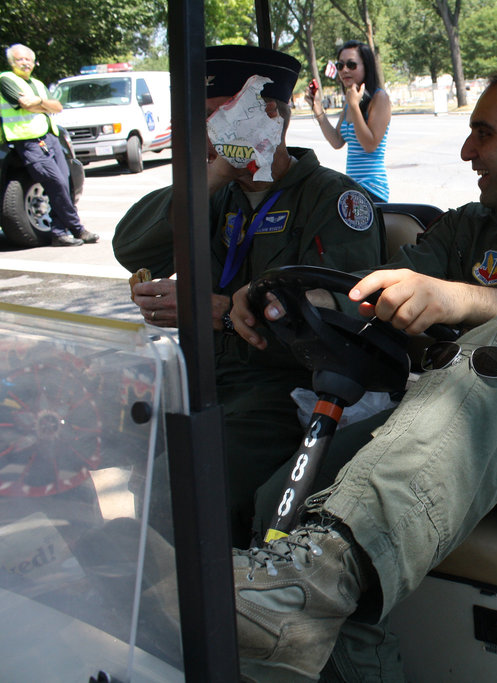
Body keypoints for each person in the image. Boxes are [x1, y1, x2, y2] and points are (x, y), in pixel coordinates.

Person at [229, 64, 497, 680]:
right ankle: (308, 602)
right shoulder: (467, 227)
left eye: (483, 134)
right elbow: (379, 291)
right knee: (282, 498)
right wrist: (281, 295)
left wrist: (465, 299)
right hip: (464, 427)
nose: (467, 152)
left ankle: (318, 575)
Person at [112, 45, 387, 546]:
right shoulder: (219, 195)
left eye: (218, 116)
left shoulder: (333, 200)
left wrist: (218, 313)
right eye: (200, 120)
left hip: (286, 390)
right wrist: (212, 175)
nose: (205, 132)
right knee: (126, 449)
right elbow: (128, 246)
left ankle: (215, 608)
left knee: (179, 488)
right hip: (209, 377)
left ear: (271, 116)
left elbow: (343, 320)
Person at [1, 44, 98, 247]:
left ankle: (59, 233)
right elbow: (26, 104)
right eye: (20, 60)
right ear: (12, 62)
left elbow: (58, 107)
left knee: (65, 183)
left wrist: (39, 101)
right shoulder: (6, 79)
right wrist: (43, 104)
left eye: (28, 59)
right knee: (56, 183)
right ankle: (77, 229)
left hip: (50, 137)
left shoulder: (36, 83)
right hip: (27, 140)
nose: (25, 63)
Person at [307, 41, 391, 202]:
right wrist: (317, 108)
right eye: (340, 65)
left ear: (366, 66)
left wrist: (354, 105)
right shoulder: (350, 100)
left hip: (373, 189)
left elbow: (370, 145)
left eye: (351, 65)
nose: (344, 70)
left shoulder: (379, 98)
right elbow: (337, 141)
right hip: (352, 187)